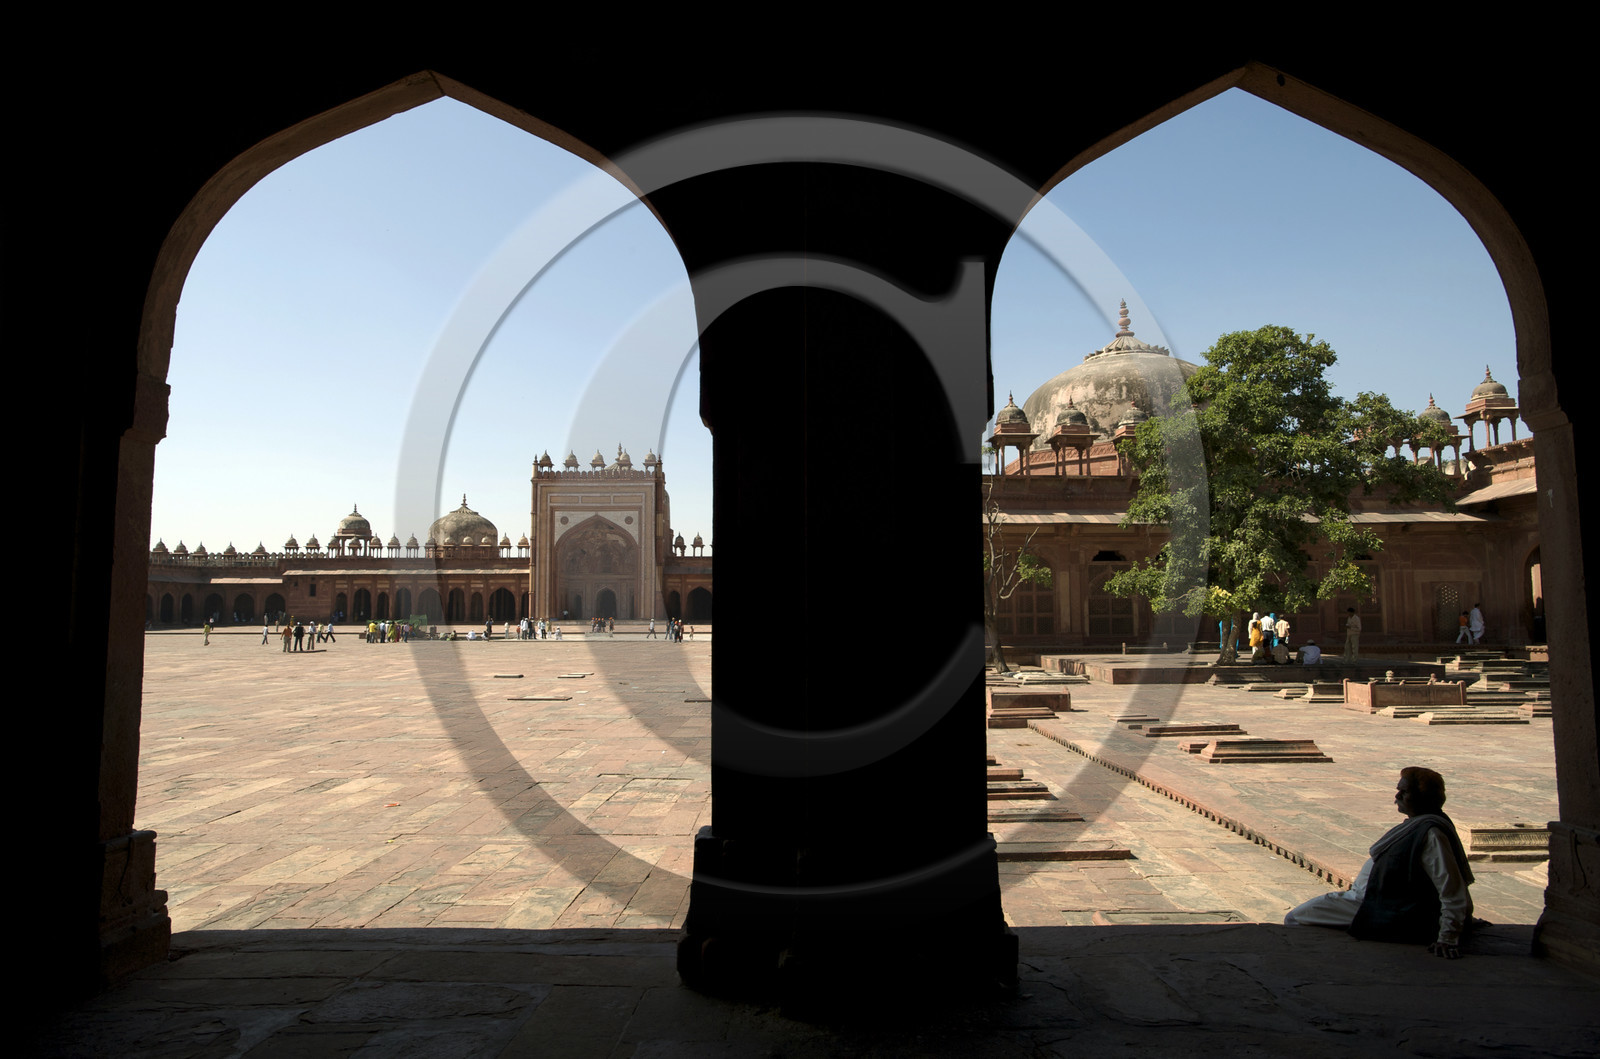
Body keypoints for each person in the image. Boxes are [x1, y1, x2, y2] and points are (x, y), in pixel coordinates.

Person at [1285, 767, 1476, 958]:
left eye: (1404, 792)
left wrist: (1448, 936)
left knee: (1295, 917)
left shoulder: (1431, 833)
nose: (1397, 797)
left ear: (1422, 797)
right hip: (1375, 897)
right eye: (1398, 790)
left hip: (1379, 904)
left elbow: (1451, 888)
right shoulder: (1421, 824)